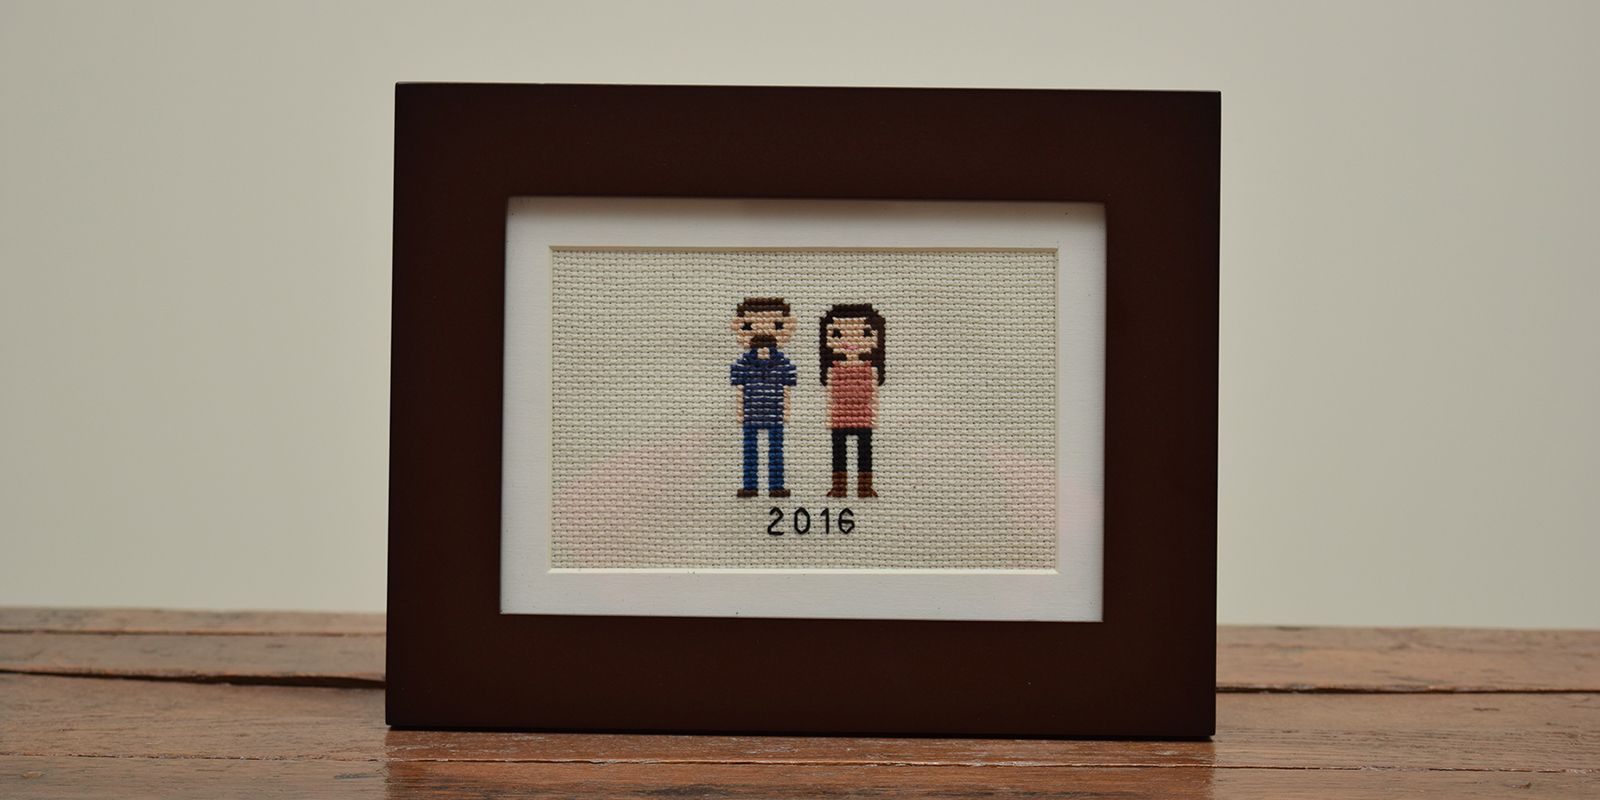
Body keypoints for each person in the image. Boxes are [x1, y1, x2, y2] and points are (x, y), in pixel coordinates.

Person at [729, 298, 798, 498]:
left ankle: (776, 486)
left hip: (775, 413)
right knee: (750, 451)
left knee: (775, 451)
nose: (763, 333)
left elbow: (787, 388)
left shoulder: (783, 363)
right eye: (750, 326)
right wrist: (740, 412)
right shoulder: (743, 364)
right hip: (750, 413)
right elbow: (740, 388)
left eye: (775, 325)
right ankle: (750, 486)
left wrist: (786, 411)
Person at [820, 303, 885, 498]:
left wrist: (873, 417)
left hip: (863, 417)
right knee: (839, 452)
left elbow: (874, 397)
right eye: (838, 333)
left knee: (864, 452)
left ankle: (864, 487)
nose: (850, 340)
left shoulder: (870, 370)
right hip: (839, 417)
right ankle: (839, 487)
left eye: (864, 333)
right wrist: (830, 417)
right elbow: (830, 396)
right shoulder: (834, 370)